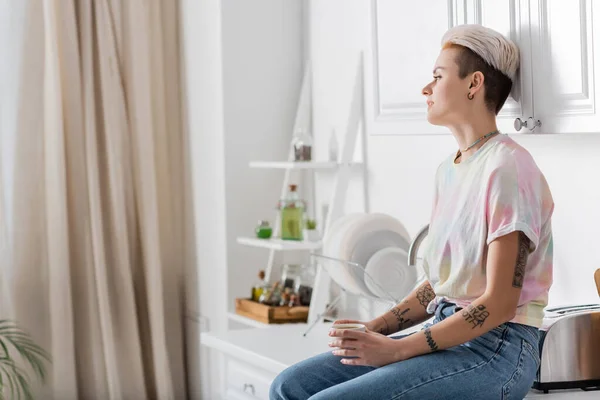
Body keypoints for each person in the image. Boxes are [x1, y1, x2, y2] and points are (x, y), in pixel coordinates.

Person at [269, 24, 554, 400]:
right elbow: (442, 284)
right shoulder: (449, 171)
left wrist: (400, 349)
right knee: (289, 386)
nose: (426, 88)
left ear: (474, 84)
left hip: (498, 350)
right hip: (447, 329)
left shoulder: (509, 168)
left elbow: (500, 304)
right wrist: (375, 329)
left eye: (437, 77)